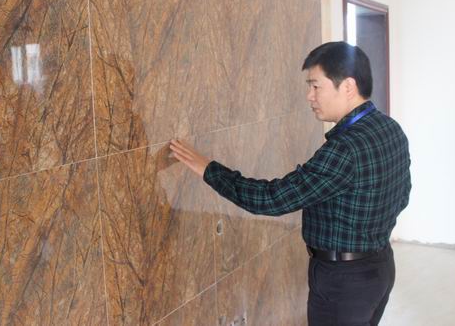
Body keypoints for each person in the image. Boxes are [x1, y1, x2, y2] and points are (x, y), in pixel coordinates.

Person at [170, 41, 411, 325]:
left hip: (343, 282)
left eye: (315, 86)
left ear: (348, 86)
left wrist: (209, 170)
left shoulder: (345, 148)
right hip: (380, 267)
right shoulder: (390, 128)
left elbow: (271, 199)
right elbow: (402, 195)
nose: (309, 96)